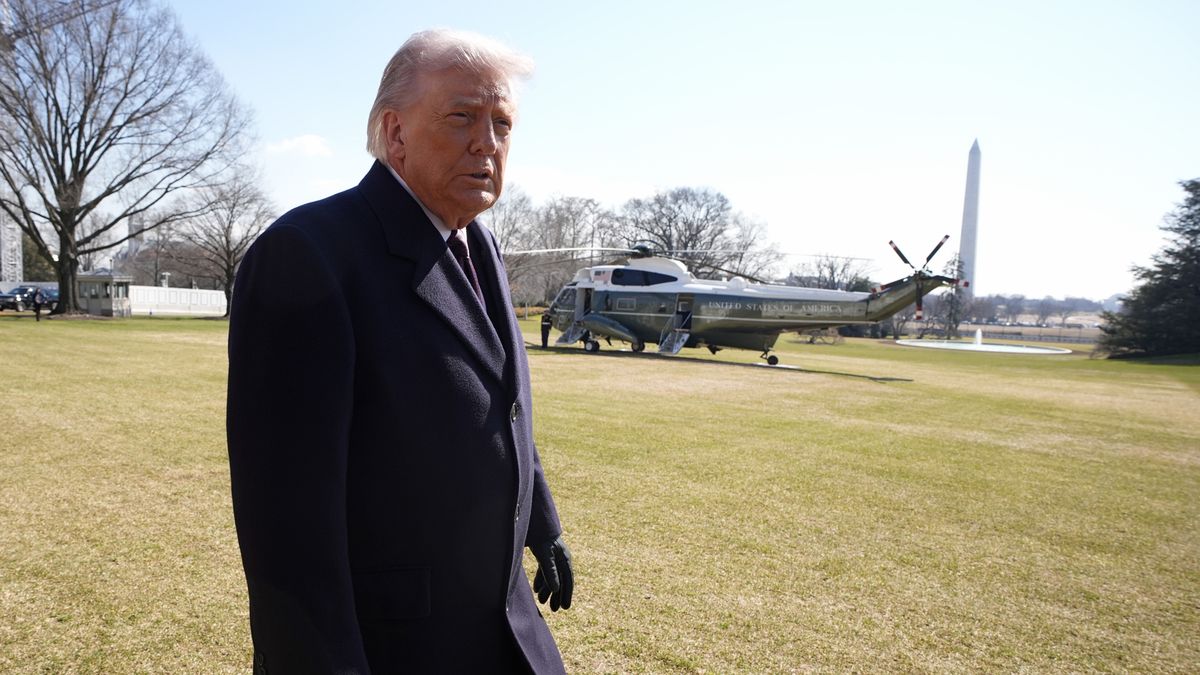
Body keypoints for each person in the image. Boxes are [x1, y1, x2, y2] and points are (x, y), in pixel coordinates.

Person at [226, 30, 573, 675]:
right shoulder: (308, 254)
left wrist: (541, 521)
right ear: (394, 132)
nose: (487, 143)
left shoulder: (481, 247)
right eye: (461, 117)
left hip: (503, 624)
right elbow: (286, 522)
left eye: (502, 123)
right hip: (394, 643)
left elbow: (501, 402)